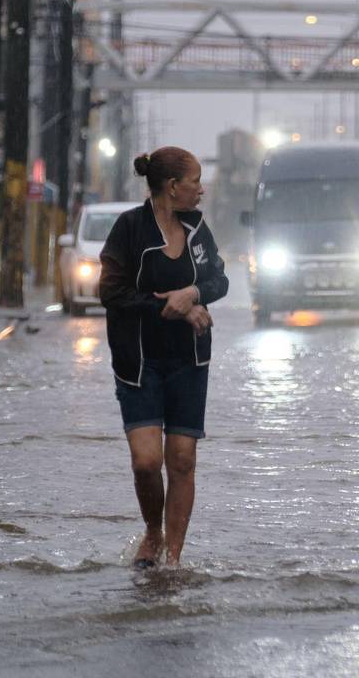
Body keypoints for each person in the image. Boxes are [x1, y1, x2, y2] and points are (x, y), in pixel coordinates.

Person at [98, 146, 229, 568]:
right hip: (138, 363)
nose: (201, 190)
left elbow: (219, 280)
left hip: (189, 361)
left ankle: (172, 560)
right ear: (173, 186)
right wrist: (171, 307)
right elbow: (111, 292)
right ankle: (153, 531)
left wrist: (194, 293)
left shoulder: (197, 229)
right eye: (195, 182)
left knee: (183, 460)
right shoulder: (129, 228)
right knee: (147, 462)